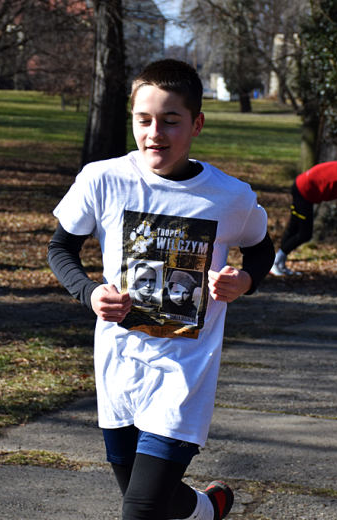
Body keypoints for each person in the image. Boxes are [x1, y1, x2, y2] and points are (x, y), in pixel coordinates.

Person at [47, 59, 275, 520]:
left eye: (171, 121)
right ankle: (210, 509)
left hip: (183, 372)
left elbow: (261, 250)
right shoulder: (103, 179)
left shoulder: (230, 197)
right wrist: (89, 292)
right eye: (144, 120)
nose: (155, 133)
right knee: (156, 498)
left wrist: (244, 281)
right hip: (118, 369)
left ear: (197, 124)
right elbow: (60, 248)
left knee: (141, 509)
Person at [271, 155, 337, 276]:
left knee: (293, 228)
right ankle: (275, 262)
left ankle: (280, 263)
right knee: (305, 234)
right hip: (304, 190)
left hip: (304, 189)